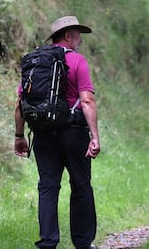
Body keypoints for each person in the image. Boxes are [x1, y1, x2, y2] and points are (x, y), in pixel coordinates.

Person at [14, 16, 101, 249]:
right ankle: (83, 243)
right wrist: (94, 136)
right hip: (73, 133)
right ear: (67, 35)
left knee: (48, 186)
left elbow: (21, 102)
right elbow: (87, 100)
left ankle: (48, 243)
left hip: (43, 133)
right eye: (77, 34)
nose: (80, 39)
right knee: (81, 184)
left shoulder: (36, 62)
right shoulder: (77, 61)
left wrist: (19, 136)